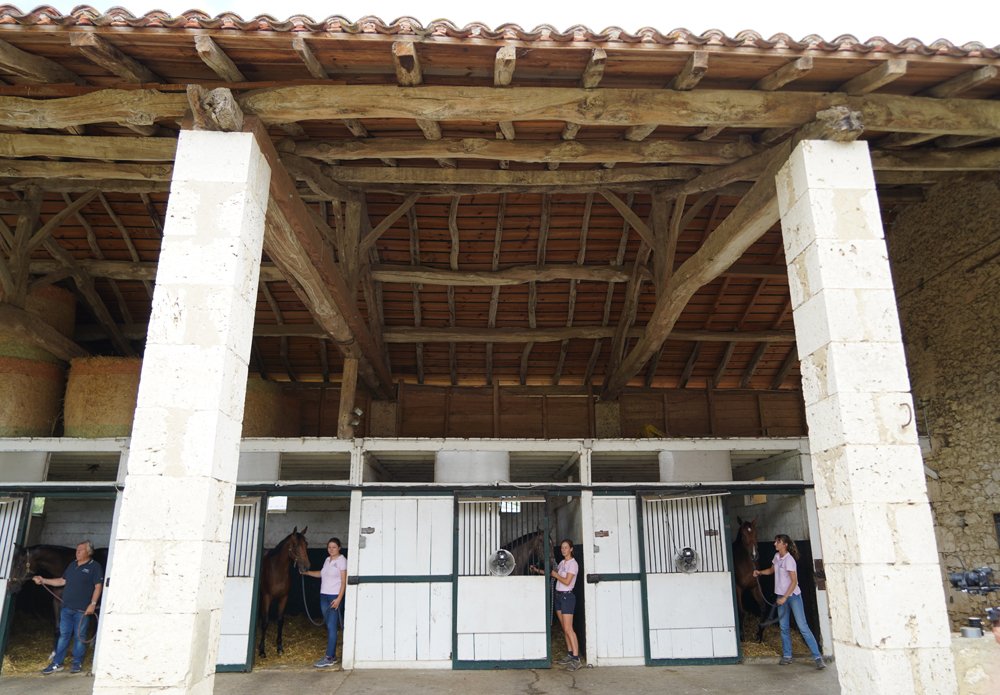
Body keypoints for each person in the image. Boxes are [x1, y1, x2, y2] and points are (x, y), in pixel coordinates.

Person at [754, 534, 825, 670]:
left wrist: (785, 597)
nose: (775, 544)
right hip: (781, 596)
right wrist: (760, 572)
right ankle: (787, 655)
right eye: (775, 541)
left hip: (792, 596)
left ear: (785, 545)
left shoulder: (789, 560)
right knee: (784, 627)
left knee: (803, 627)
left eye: (778, 542)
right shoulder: (777, 557)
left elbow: (794, 582)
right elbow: (771, 570)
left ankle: (817, 657)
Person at [35, 540, 104, 675]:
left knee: (79, 637)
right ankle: (57, 663)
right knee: (63, 635)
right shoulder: (72, 565)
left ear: (89, 552)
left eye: (81, 550)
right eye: (77, 550)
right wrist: (44, 580)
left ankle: (77, 663)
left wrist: (92, 604)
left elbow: (98, 586)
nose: (77, 552)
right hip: (66, 608)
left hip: (82, 610)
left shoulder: (95, 567)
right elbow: (62, 581)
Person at [533, 538, 581, 671]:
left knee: (569, 628)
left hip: (567, 597)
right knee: (564, 628)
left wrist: (555, 574)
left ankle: (576, 659)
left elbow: (566, 581)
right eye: (562, 548)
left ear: (571, 549)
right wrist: (537, 570)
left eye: (566, 548)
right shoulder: (561, 563)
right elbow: (552, 574)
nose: (563, 550)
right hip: (559, 596)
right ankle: (570, 654)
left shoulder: (573, 564)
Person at [302, 537, 347, 668]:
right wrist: (307, 573)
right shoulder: (327, 560)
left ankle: (329, 657)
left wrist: (339, 599)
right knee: (329, 625)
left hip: (333, 597)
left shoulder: (342, 561)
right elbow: (321, 574)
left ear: (339, 548)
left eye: (334, 547)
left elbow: (343, 582)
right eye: (329, 547)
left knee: (332, 626)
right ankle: (332, 655)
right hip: (324, 596)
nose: (331, 550)